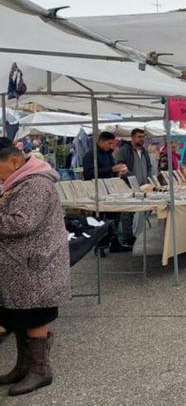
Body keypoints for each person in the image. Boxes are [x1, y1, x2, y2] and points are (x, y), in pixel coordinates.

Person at [0, 141, 70, 396]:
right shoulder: (22, 180)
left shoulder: (35, 184)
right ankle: (23, 366)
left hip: (36, 265)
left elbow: (22, 223)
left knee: (35, 315)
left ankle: (40, 370)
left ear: (14, 161)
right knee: (20, 316)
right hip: (24, 265)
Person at [113, 128, 152, 246]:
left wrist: (149, 179)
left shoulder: (144, 151)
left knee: (141, 211)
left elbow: (148, 166)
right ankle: (128, 237)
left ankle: (139, 233)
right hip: (129, 186)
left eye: (143, 137)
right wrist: (130, 178)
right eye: (139, 137)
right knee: (128, 212)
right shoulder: (125, 150)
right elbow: (120, 166)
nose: (142, 139)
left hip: (144, 186)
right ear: (132, 137)